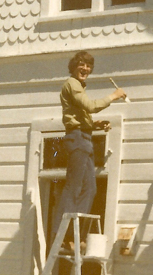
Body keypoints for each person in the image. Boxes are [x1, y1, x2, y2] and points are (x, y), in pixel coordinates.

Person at [54, 51, 126, 248]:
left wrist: (94, 125)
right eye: (81, 64)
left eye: (88, 66)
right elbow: (90, 106)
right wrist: (114, 95)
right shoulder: (71, 84)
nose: (85, 69)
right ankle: (64, 236)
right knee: (74, 187)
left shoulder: (78, 86)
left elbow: (82, 114)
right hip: (77, 138)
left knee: (90, 189)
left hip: (84, 137)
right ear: (73, 66)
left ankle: (77, 236)